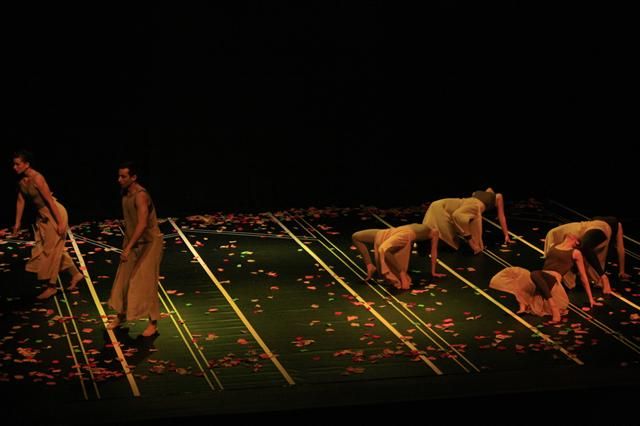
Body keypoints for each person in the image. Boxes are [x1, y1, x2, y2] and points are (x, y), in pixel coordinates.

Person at [10, 150, 84, 299]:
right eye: (14, 164)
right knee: (49, 249)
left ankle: (51, 287)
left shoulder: (37, 178)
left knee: (50, 251)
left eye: (17, 164)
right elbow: (20, 201)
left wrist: (61, 222)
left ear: (27, 164)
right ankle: (76, 274)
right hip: (43, 217)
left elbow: (50, 201)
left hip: (54, 214)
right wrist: (17, 223)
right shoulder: (21, 181)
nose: (14, 167)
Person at [107, 162, 163, 337]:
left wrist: (128, 246)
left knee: (146, 283)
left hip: (149, 243)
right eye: (119, 176)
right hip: (133, 241)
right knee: (123, 279)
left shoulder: (141, 196)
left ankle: (153, 323)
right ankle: (121, 315)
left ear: (134, 177)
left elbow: (142, 223)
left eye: (123, 176)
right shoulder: (125, 193)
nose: (119, 180)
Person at [490, 233, 591, 322]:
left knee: (534, 273)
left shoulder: (575, 252)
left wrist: (590, 298)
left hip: (553, 282)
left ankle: (553, 306)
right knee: (515, 272)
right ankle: (523, 304)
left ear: (577, 242)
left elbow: (583, 276)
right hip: (540, 279)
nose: (572, 233)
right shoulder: (554, 245)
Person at [352, 223, 445, 291]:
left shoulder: (432, 232)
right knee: (356, 236)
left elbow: (433, 251)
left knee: (384, 250)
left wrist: (433, 272)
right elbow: (433, 252)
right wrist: (433, 272)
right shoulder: (432, 231)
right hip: (392, 232)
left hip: (403, 233)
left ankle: (402, 274)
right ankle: (370, 266)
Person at [422, 188, 512, 254]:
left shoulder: (498, 196)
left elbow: (501, 216)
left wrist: (506, 235)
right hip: (465, 202)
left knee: (458, 216)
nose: (489, 189)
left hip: (474, 207)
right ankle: (426, 234)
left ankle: (470, 241)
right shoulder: (482, 192)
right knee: (436, 205)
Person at [544, 219, 613, 297]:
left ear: (576, 242)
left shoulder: (576, 250)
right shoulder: (558, 241)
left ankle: (603, 277)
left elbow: (583, 275)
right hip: (592, 228)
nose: (569, 236)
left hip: (599, 229)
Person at [593, 216, 631, 280]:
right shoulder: (616, 224)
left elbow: (620, 247)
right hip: (600, 223)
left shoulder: (616, 224)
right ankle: (598, 276)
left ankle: (599, 276)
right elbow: (620, 247)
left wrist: (622, 271)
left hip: (602, 222)